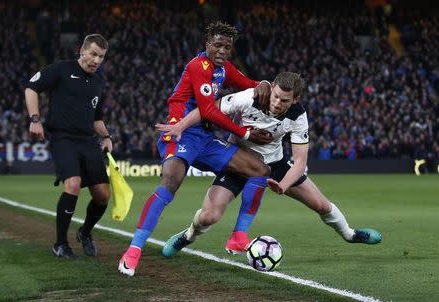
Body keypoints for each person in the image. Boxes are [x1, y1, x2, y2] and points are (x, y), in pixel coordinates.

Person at [157, 72, 382, 258]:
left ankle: (350, 234)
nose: (276, 103)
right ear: (271, 87)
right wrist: (181, 125)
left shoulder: (297, 116)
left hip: (275, 164)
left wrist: (283, 185)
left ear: (295, 99)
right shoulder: (248, 98)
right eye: (275, 96)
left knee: (321, 205)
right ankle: (187, 236)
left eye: (284, 100)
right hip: (238, 162)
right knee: (209, 216)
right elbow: (209, 109)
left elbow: (300, 161)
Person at [118, 21, 274, 277]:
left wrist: (266, 83)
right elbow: (209, 109)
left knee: (259, 169)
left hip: (205, 136)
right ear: (207, 44)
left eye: (227, 46)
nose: (222, 51)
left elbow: (248, 83)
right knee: (171, 182)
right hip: (180, 131)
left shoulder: (223, 69)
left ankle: (238, 235)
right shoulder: (197, 66)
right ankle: (134, 251)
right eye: (217, 45)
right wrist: (245, 133)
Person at [25, 34, 112, 259]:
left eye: (100, 57)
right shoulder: (61, 69)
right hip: (63, 139)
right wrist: (35, 119)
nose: (96, 60)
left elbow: (96, 117)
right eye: (93, 54)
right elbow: (31, 88)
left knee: (103, 196)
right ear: (82, 50)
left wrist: (106, 136)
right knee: (72, 184)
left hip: (88, 141)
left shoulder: (98, 82)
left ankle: (85, 232)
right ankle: (60, 244)